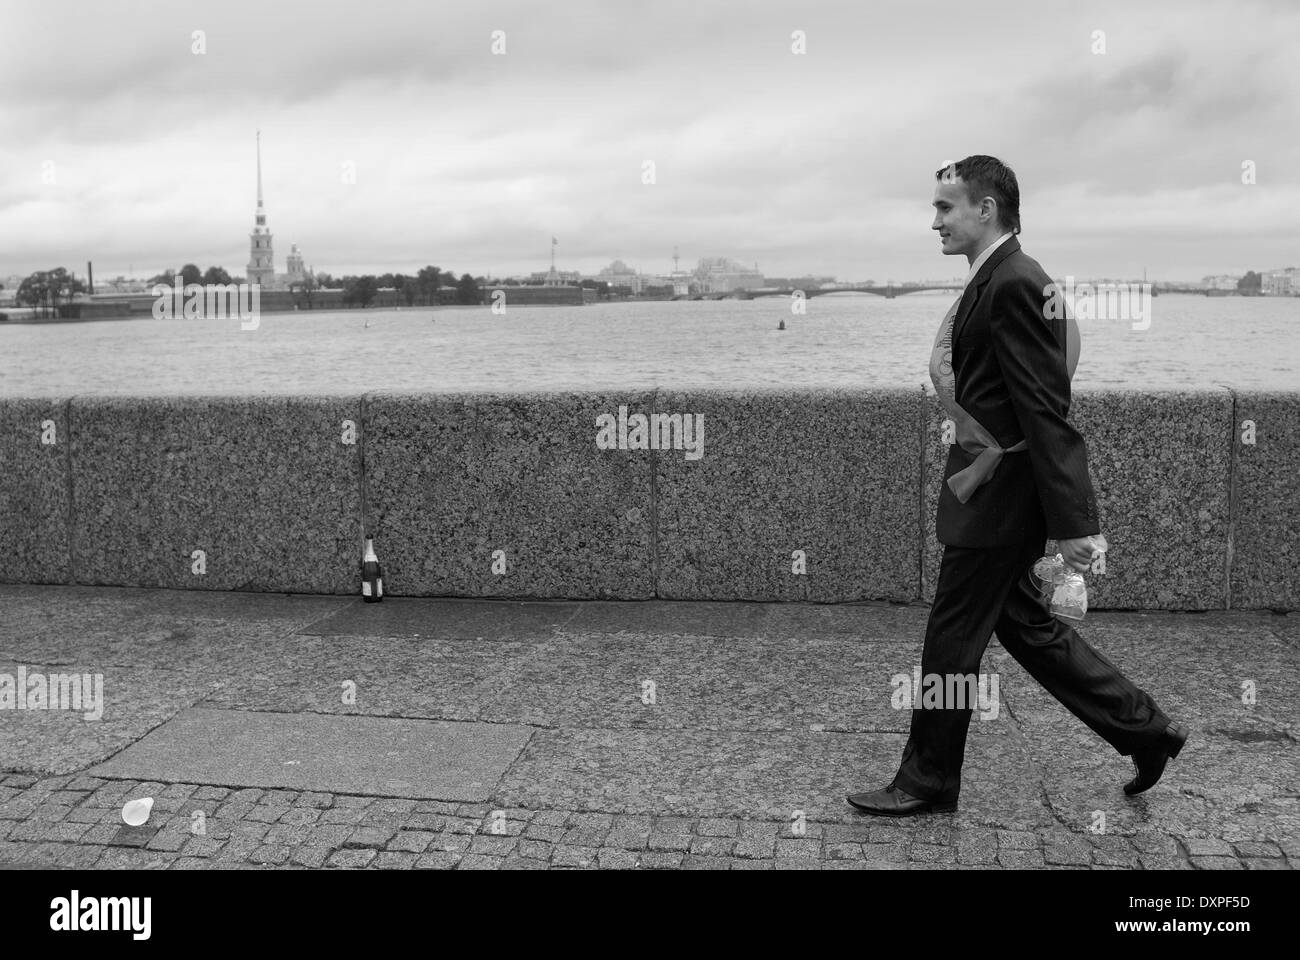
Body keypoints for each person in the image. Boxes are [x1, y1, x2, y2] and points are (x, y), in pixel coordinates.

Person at [847, 155, 1187, 817]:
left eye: (946, 207)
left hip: (1001, 501)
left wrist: (1076, 521)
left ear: (986, 209)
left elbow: (1043, 405)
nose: (935, 221)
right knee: (1028, 628)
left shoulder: (1014, 282)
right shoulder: (996, 277)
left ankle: (927, 778)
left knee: (952, 635)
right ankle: (1146, 730)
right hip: (998, 491)